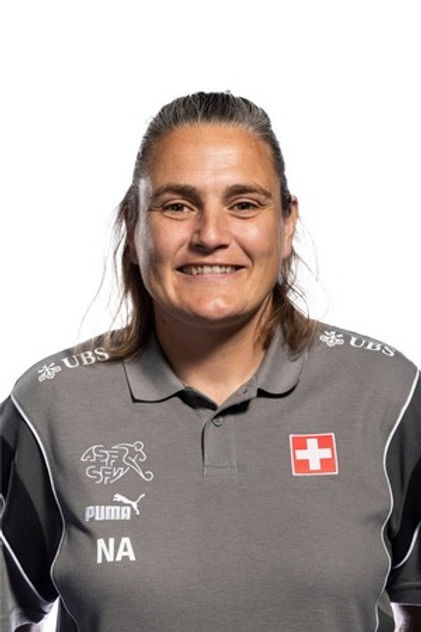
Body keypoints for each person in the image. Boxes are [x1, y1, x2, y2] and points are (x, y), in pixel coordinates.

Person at [1, 91, 420, 632]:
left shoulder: (388, 395)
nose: (211, 236)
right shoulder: (49, 406)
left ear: (287, 223)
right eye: (177, 206)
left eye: (244, 204)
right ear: (133, 225)